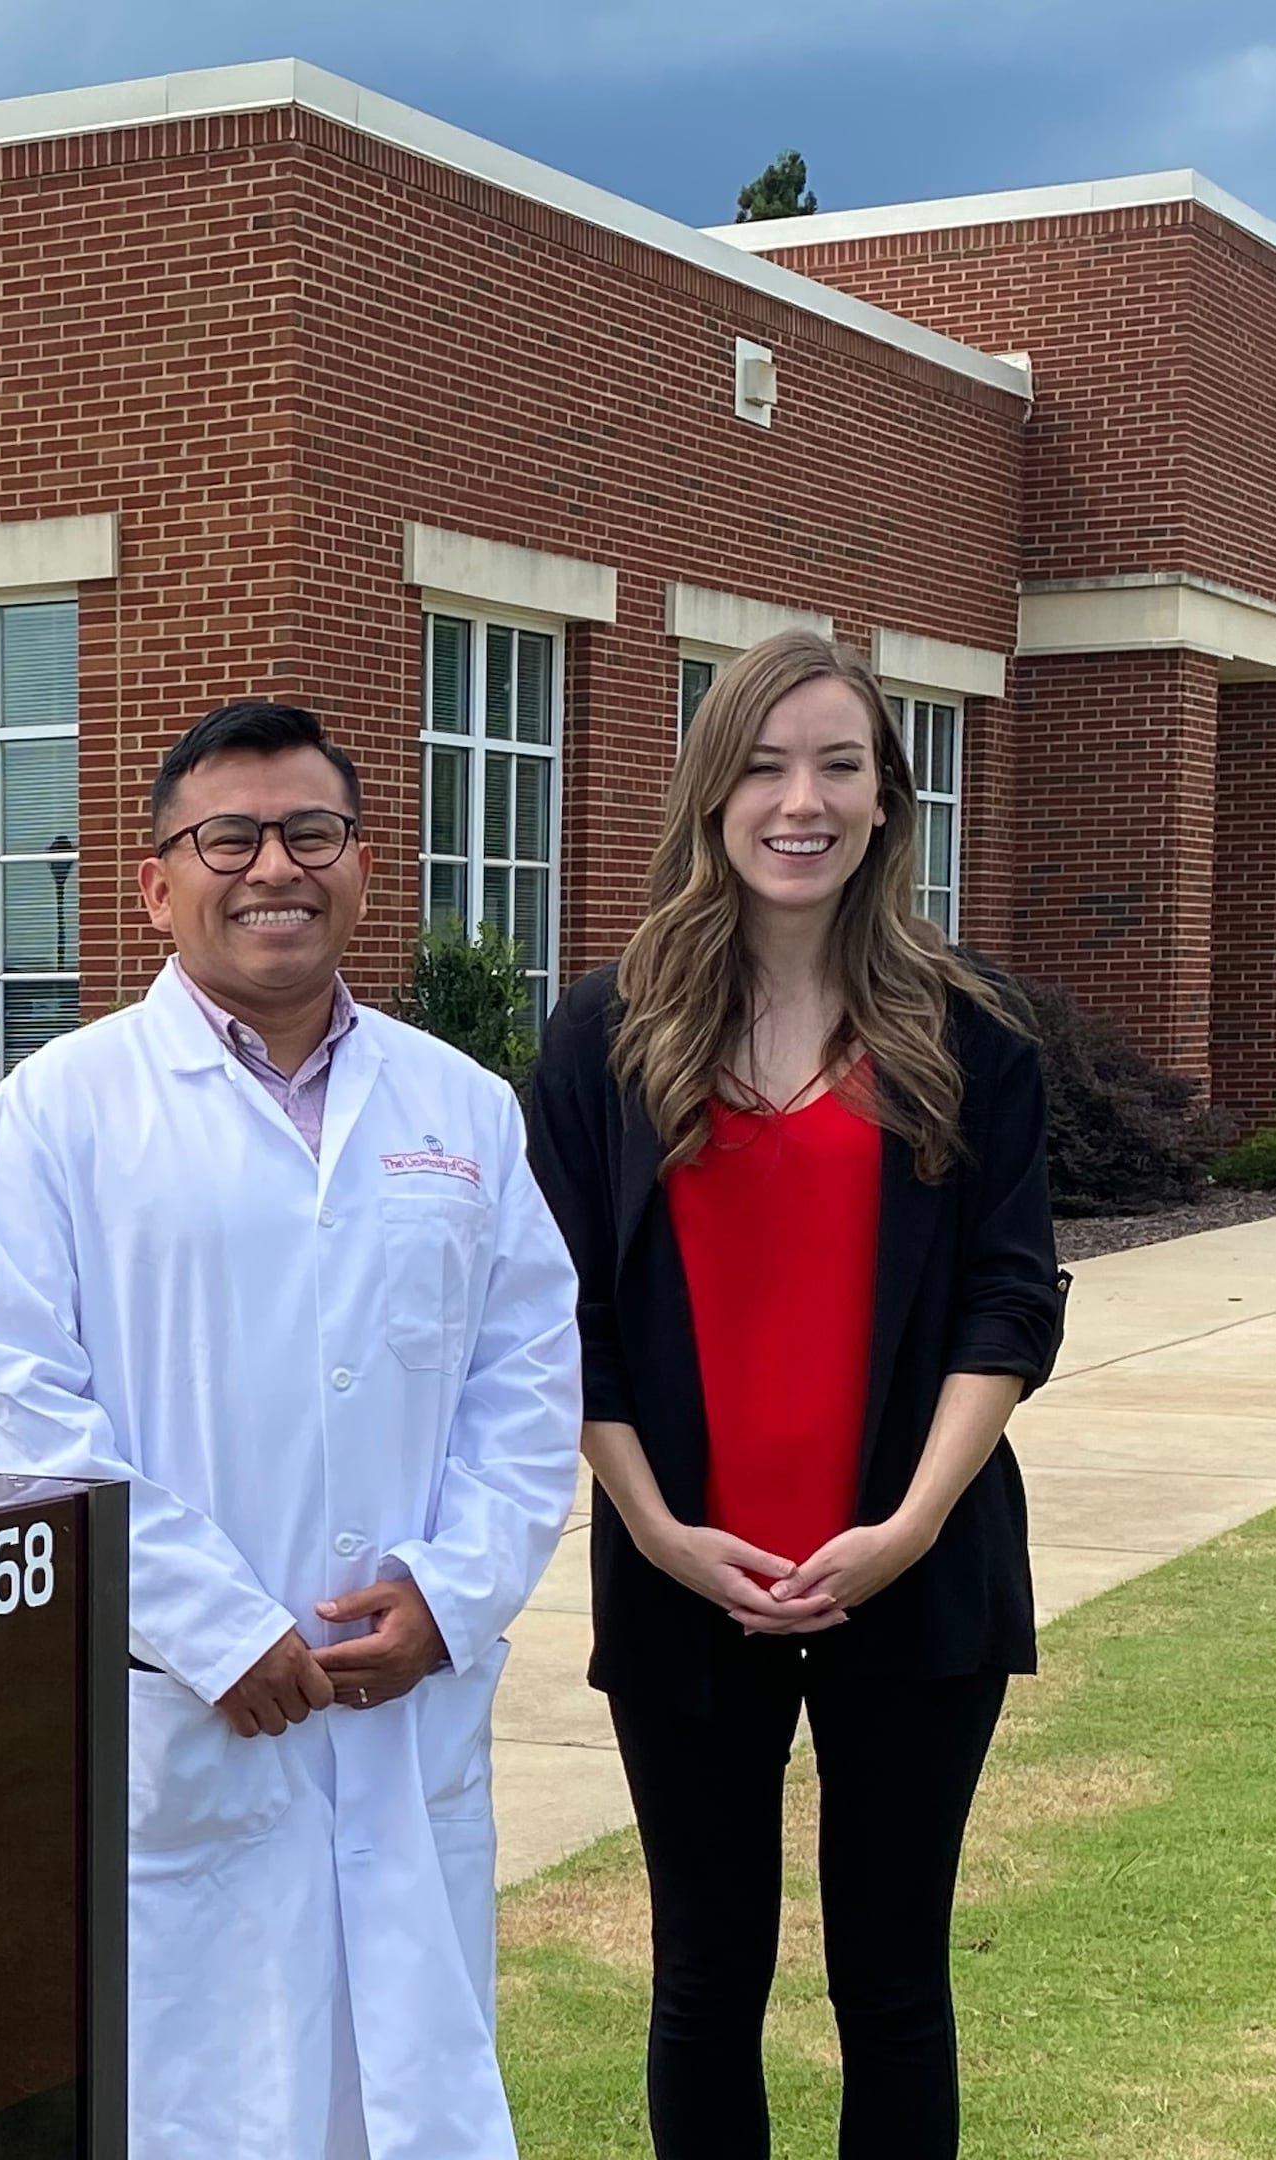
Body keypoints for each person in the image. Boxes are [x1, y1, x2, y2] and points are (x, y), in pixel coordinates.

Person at [0, 699, 583, 2160]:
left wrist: (453, 1594)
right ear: (157, 884)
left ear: (363, 868)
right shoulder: (61, 1111)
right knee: (199, 2106)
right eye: (228, 838)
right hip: (184, 1719)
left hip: (402, 1708)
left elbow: (528, 1377)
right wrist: (211, 1626)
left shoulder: (464, 1108)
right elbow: (5, 1399)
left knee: (402, 2102)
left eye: (311, 833)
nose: (274, 867)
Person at [524, 630, 1062, 2159]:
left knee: (892, 1986)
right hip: (684, 1576)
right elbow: (563, 1316)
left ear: (889, 797)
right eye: (763, 766)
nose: (800, 801)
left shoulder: (975, 1030)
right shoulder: (608, 1033)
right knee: (704, 1981)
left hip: (917, 1572)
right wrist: (659, 1529)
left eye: (838, 766)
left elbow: (1009, 1299)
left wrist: (907, 1528)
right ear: (712, 793)